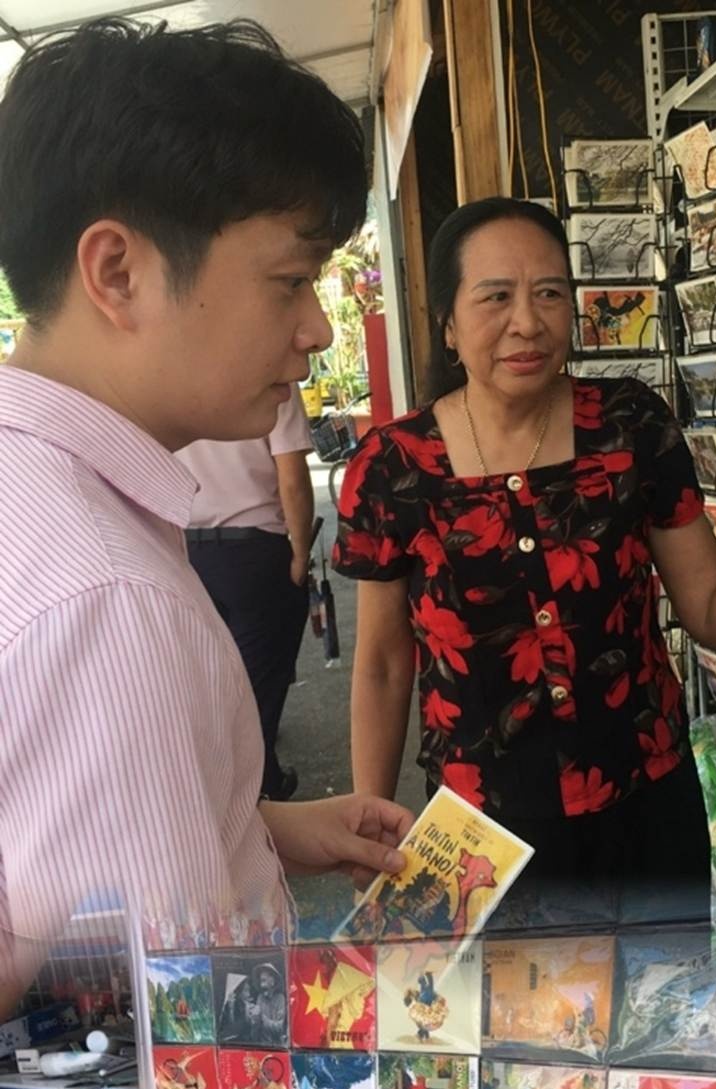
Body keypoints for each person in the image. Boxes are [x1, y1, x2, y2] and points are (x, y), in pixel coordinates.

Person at [0, 19, 413, 1010]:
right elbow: (173, 1038)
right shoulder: (107, 597)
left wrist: (249, 822)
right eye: (290, 281)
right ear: (117, 272)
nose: (318, 328)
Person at [336, 198, 716, 908]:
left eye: (549, 293)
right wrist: (371, 822)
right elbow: (384, 666)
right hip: (482, 840)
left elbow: (714, 615)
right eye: (496, 297)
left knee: (667, 982)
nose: (527, 321)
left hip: (647, 814)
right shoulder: (392, 468)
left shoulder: (630, 426)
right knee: (510, 990)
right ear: (447, 322)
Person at [177, 385, 317, 799]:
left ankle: (235, 784)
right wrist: (301, 551)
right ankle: (258, 789)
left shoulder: (174, 375)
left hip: (186, 548)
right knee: (260, 682)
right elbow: (292, 479)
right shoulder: (273, 379)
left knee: (207, 677)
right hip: (256, 551)